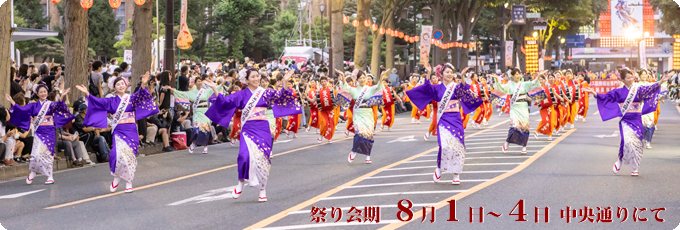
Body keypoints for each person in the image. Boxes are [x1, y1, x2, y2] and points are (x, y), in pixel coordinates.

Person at [206, 68, 300, 202]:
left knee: (262, 159)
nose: (256, 79)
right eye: (253, 77)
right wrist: (215, 87)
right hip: (248, 129)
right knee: (244, 156)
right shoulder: (241, 94)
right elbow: (226, 102)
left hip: (263, 129)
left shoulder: (265, 92)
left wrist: (285, 81)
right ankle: (240, 183)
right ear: (246, 80)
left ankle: (262, 190)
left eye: (258, 76)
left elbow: (280, 96)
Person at [75, 72, 159, 193]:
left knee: (130, 157)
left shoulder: (131, 98)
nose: (120, 86)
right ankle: (116, 177)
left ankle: (129, 182)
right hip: (119, 131)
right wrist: (87, 93)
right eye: (117, 84)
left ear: (126, 85)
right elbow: (98, 102)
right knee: (116, 154)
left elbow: (141, 95)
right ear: (114, 88)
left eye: (122, 84)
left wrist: (143, 85)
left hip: (131, 130)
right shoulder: (111, 101)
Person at [582, 69, 673, 176]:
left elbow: (650, 89)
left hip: (637, 119)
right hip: (625, 120)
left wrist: (661, 81)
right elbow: (606, 97)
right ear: (623, 80)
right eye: (628, 78)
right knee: (627, 142)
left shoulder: (638, 89)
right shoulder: (618, 91)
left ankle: (635, 167)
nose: (631, 79)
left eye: (631, 77)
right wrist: (594, 93)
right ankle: (620, 160)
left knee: (637, 143)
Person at [407, 64, 482, 184]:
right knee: (445, 146)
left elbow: (464, 89)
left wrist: (462, 76)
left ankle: (456, 174)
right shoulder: (437, 88)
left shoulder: (456, 87)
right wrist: (428, 72)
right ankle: (440, 168)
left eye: (451, 72)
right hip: (443, 118)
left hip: (456, 119)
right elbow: (427, 88)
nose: (450, 74)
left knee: (458, 146)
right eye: (447, 72)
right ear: (441, 75)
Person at [5, 84, 74, 185]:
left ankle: (50, 176)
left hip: (50, 132)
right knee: (36, 154)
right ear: (37, 94)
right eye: (41, 92)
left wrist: (62, 96)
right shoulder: (33, 105)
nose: (43, 93)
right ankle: (33, 173)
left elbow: (58, 106)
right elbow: (23, 110)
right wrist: (12, 102)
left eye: (45, 91)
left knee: (48, 155)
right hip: (39, 132)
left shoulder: (50, 104)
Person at [337, 69, 385, 164]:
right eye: (360, 78)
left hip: (368, 113)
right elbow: (345, 86)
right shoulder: (354, 90)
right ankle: (354, 151)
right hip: (358, 113)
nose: (362, 80)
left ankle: (368, 155)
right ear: (357, 80)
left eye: (364, 78)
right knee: (359, 134)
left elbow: (379, 86)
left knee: (368, 135)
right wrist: (343, 76)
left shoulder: (370, 89)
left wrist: (381, 77)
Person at [163, 75, 220, 154]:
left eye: (200, 81)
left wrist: (223, 82)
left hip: (205, 112)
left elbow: (216, 88)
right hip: (197, 112)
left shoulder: (206, 91)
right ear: (195, 83)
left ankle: (205, 147)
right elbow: (182, 94)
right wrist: (170, 89)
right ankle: (193, 144)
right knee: (196, 129)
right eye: (198, 81)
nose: (199, 83)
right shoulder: (192, 93)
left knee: (205, 129)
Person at [491, 68, 542, 154]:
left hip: (523, 107)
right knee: (513, 126)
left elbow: (533, 84)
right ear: (512, 76)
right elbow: (500, 88)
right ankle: (507, 143)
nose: (518, 76)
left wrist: (539, 76)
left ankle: (524, 146)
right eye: (516, 74)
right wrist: (496, 79)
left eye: (519, 74)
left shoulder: (524, 84)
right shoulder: (509, 85)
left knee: (525, 127)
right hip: (515, 107)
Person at [534, 74, 557, 140]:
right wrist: (539, 105)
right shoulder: (537, 88)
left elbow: (553, 95)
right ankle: (537, 131)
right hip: (542, 107)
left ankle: (549, 134)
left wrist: (556, 100)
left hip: (550, 106)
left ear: (545, 80)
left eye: (542, 79)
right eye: (540, 80)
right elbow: (537, 99)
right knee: (545, 120)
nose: (541, 81)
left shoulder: (548, 87)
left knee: (551, 120)